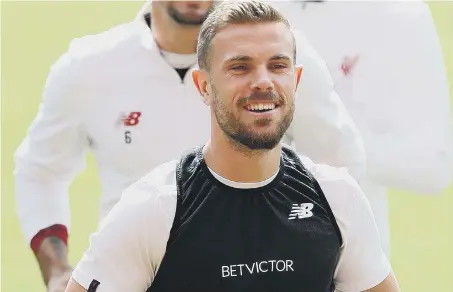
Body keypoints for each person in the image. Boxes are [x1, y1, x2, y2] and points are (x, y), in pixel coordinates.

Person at [14, 0, 365, 291]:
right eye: (239, 67)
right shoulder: (88, 68)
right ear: (204, 85)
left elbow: (338, 160)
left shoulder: (277, 56)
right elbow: (40, 170)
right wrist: (58, 269)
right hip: (129, 273)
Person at [273, 0, 453, 256]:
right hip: (242, 245)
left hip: (350, 256)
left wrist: (330, 143)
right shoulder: (237, 8)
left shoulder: (399, 15)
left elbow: (434, 164)